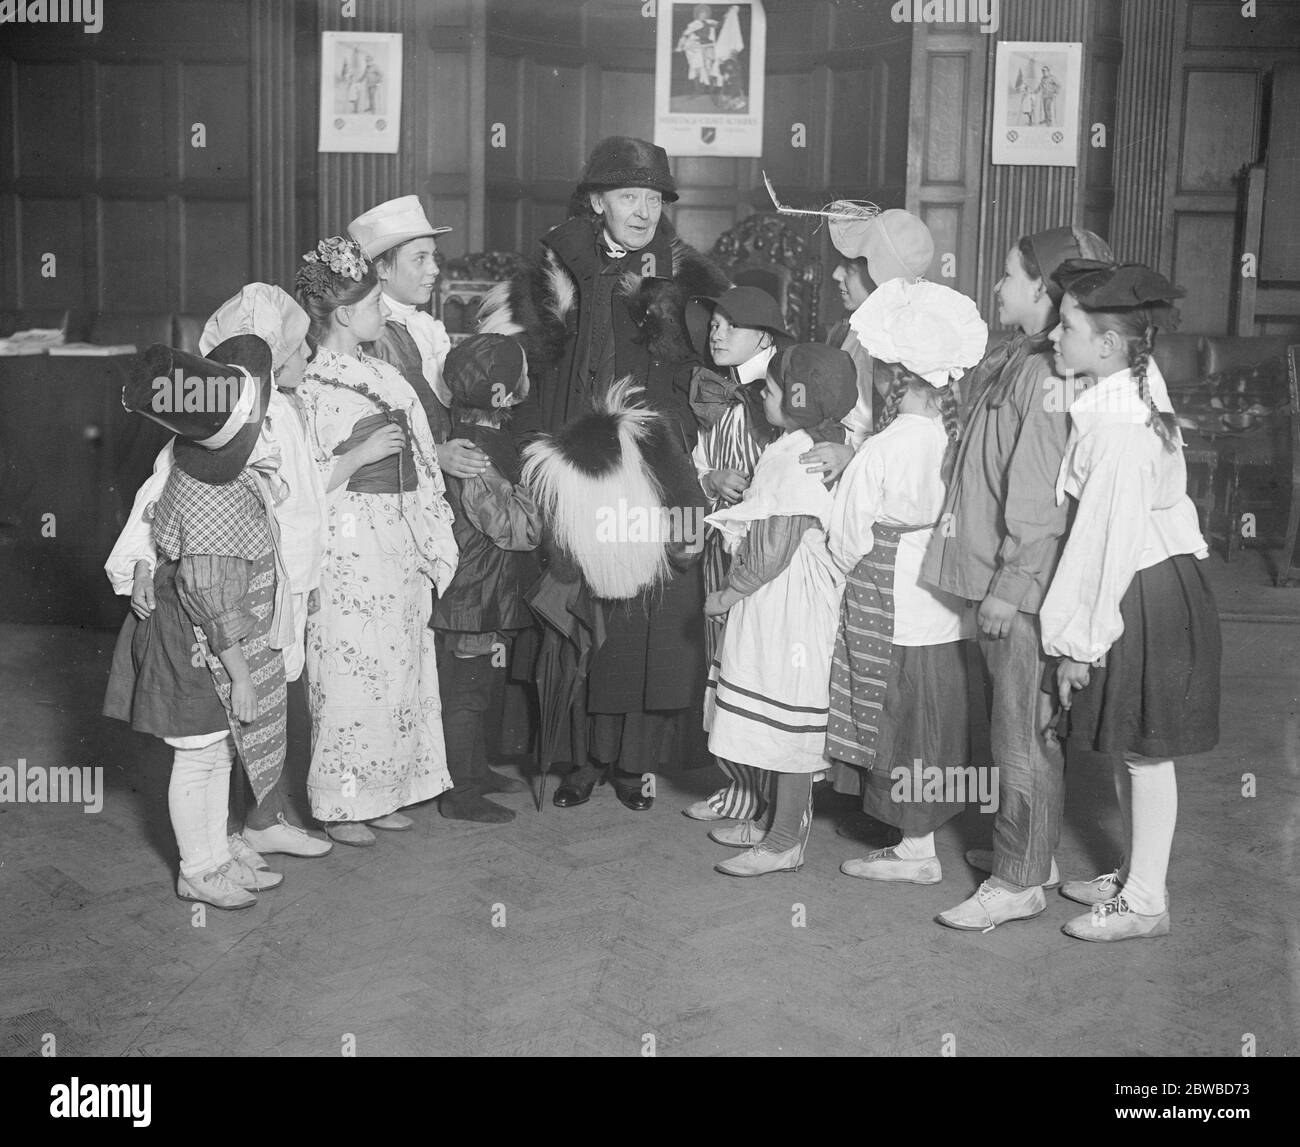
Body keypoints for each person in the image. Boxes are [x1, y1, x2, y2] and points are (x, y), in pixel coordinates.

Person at [478, 135, 730, 812]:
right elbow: (533, 374)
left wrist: (661, 428)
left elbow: (698, 374)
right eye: (629, 196)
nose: (644, 210)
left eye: (653, 197)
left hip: (649, 467)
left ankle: (632, 763)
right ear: (598, 201)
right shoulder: (555, 270)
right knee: (578, 608)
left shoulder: (680, 278)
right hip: (572, 467)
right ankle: (581, 761)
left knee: (639, 618)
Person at [921, 225, 1113, 932]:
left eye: (1008, 276)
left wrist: (1010, 584)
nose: (996, 286)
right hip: (1003, 581)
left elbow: (1038, 499)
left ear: (1043, 287)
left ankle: (1019, 878)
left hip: (1023, 593)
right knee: (1014, 730)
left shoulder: (1047, 375)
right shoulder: (1023, 358)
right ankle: (1033, 853)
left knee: (1022, 737)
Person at [105, 284, 333, 866]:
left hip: (266, 589)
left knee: (249, 722)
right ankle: (214, 851)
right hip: (218, 614)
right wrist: (140, 564)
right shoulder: (200, 454)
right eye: (300, 350)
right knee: (221, 728)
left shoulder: (277, 413)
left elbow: (291, 497)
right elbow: (154, 511)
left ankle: (245, 828)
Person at [1044, 259, 1221, 942]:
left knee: (1145, 748)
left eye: (1068, 327)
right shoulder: (1133, 381)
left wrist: (1075, 648)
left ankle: (1146, 900)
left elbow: (1103, 544)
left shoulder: (1120, 427)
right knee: (1129, 744)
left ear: (1110, 346)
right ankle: (1132, 872)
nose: (1054, 339)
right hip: (1146, 580)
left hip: (1145, 588)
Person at [104, 335, 291, 909]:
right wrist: (238, 674)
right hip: (199, 640)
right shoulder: (213, 499)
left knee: (218, 748)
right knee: (198, 752)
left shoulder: (218, 474)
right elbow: (209, 594)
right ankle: (197, 867)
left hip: (212, 634)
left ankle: (216, 849)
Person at [294, 235, 460, 847]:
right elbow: (295, 480)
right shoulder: (307, 383)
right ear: (343, 314)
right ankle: (343, 804)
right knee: (348, 670)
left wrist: (426, 531)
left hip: (397, 531)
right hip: (346, 543)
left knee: (400, 666)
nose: (383, 314)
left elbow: (422, 459)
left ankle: (389, 789)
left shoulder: (386, 373)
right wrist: (359, 453)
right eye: (372, 305)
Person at [824, 279, 986, 885]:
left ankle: (914, 849)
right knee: (934, 719)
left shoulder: (884, 448)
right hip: (942, 603)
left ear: (895, 380)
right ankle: (924, 830)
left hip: (887, 602)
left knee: (896, 719)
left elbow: (846, 536)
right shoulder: (954, 440)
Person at [702, 343, 857, 876]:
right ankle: (768, 820)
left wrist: (727, 593)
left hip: (787, 605)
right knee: (770, 717)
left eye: (769, 389)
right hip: (781, 603)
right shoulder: (819, 441)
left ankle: (784, 840)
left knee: (790, 728)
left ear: (796, 399)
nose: (762, 396)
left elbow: (773, 542)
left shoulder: (797, 454)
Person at [680, 286, 785, 827]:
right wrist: (709, 478)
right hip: (723, 550)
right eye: (714, 322)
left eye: (731, 325)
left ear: (763, 338)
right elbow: (697, 462)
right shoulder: (716, 394)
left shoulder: (782, 391)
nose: (716, 332)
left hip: (769, 554)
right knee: (724, 660)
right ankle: (740, 787)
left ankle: (776, 800)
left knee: (761, 667)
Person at [431, 334, 541, 823]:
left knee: (476, 687)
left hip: (481, 588)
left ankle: (476, 769)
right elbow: (512, 529)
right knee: (466, 693)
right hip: (472, 593)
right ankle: (461, 792)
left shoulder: (466, 435)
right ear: (503, 393)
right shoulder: (480, 452)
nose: (527, 380)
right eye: (522, 373)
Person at [348, 195, 489, 483]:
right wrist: (435, 453)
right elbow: (364, 430)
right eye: (419, 258)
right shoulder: (371, 336)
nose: (435, 269)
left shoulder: (425, 326)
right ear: (382, 269)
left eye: (433, 256)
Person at [802, 207, 935, 477]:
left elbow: (913, 442)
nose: (836, 275)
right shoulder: (845, 330)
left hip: (877, 476)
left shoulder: (908, 349)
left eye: (849, 269)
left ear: (879, 278)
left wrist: (853, 456)